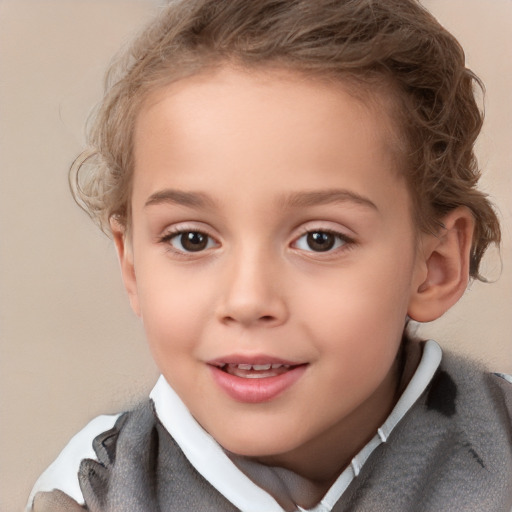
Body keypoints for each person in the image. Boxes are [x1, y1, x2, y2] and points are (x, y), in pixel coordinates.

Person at [27, 0, 512, 510]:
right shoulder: (91, 490)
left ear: (436, 266)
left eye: (320, 239)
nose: (248, 299)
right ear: (132, 266)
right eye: (191, 239)